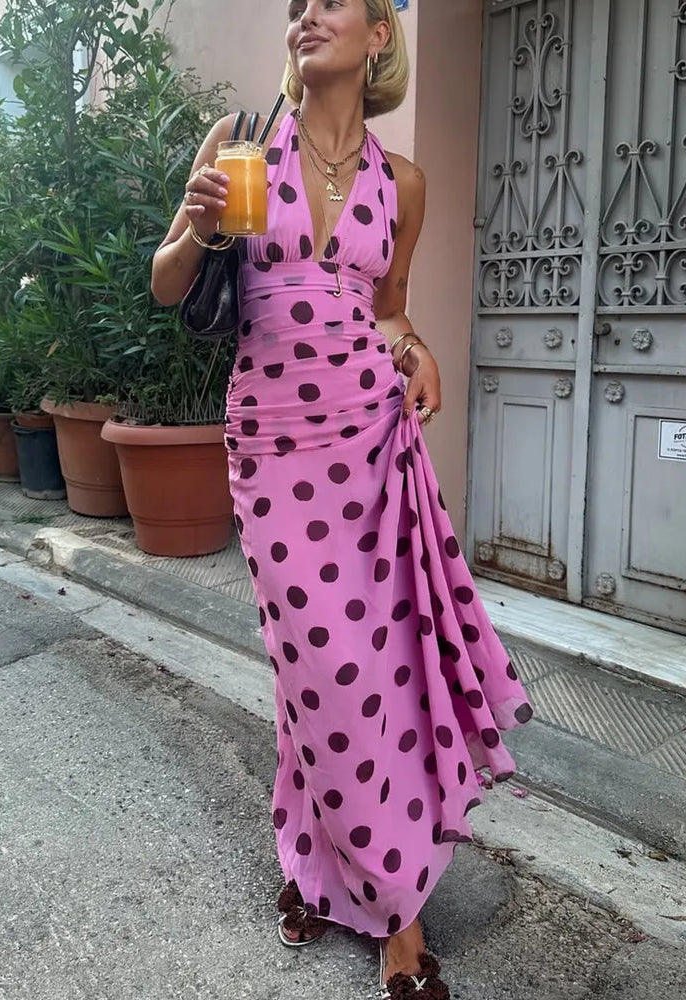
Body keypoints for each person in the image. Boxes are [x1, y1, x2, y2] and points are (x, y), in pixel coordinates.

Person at [151, 2, 533, 995]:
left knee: (376, 667)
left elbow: (389, 307)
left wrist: (420, 349)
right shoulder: (238, 146)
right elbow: (163, 284)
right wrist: (193, 230)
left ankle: (336, 880)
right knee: (325, 668)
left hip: (370, 443)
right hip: (274, 451)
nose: (306, 12)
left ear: (377, 38)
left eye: (332, 1)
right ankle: (378, 899)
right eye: (295, 5)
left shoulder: (402, 184)